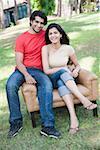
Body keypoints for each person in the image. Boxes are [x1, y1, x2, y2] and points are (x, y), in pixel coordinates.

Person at [6, 11, 61, 139]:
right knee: (10, 85)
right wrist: (26, 75)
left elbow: (58, 40)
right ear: (31, 21)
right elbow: (19, 62)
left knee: (46, 84)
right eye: (36, 22)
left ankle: (48, 126)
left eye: (42, 23)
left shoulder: (45, 35)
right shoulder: (22, 38)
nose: (39, 25)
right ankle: (16, 122)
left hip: (38, 70)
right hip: (22, 69)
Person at [42, 23, 97, 134]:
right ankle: (83, 100)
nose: (53, 36)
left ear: (61, 35)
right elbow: (46, 71)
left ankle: (73, 119)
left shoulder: (68, 49)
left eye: (55, 33)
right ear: (48, 36)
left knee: (62, 81)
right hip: (51, 79)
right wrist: (64, 68)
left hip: (63, 80)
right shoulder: (45, 48)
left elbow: (77, 65)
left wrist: (76, 70)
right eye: (50, 34)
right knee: (63, 72)